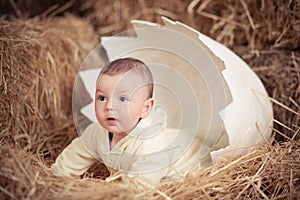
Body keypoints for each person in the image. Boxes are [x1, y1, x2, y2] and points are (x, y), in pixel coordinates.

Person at [51, 57, 211, 186]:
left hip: (191, 166)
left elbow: (138, 188)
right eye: (102, 98)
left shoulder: (150, 145)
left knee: (169, 188)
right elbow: (77, 153)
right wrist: (57, 175)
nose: (109, 106)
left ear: (145, 108)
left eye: (122, 98)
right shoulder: (97, 132)